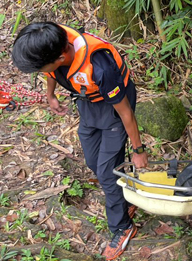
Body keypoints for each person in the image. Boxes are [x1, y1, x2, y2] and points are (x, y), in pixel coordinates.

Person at [11, 22, 147, 260]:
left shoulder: (100, 67)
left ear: (61, 56)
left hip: (114, 111)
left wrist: (138, 150)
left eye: (40, 68)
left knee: (107, 173)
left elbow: (126, 113)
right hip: (87, 103)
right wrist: (50, 95)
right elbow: (52, 72)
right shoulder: (53, 44)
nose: (41, 72)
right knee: (95, 161)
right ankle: (124, 195)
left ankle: (123, 226)